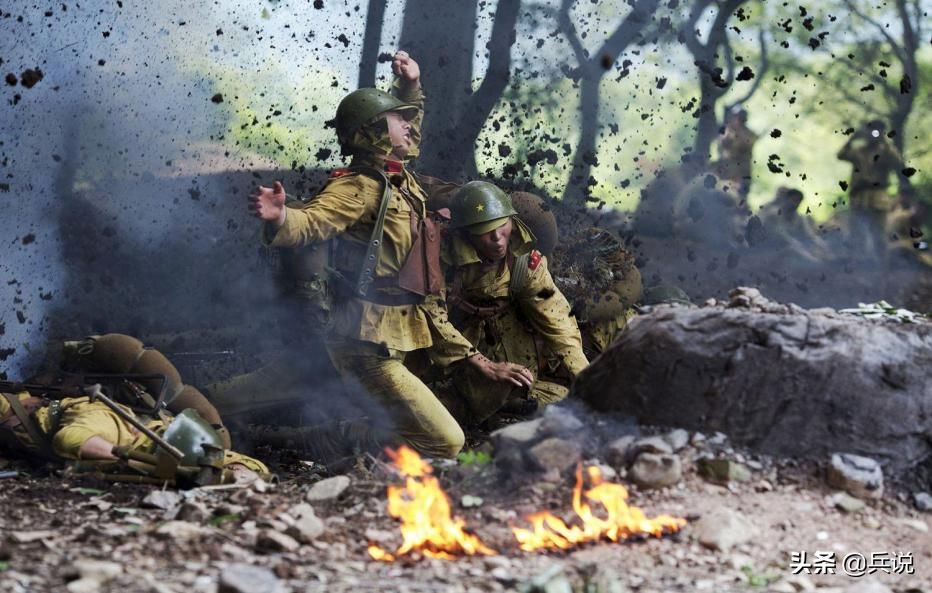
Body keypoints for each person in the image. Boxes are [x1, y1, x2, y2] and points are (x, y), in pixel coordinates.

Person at [248, 52, 530, 458]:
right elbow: (313, 221)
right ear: (374, 133)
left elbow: (409, 129)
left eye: (405, 117)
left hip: (400, 335)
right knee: (447, 442)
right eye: (397, 120)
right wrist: (280, 217)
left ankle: (328, 434)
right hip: (365, 344)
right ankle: (321, 441)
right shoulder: (360, 187)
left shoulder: (397, 176)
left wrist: (409, 86)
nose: (408, 124)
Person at [442, 181, 588, 425]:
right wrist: (485, 365)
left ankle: (504, 408)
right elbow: (427, 319)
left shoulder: (525, 262)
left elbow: (558, 320)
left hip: (503, 345)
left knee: (559, 398)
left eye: (502, 226)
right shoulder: (442, 260)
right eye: (485, 231)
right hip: (449, 350)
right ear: (466, 233)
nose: (498, 239)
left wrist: (586, 378)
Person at [0, 385, 268, 485]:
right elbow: (69, 439)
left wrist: (239, 470)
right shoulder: (108, 426)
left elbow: (252, 468)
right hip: (20, 409)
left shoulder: (190, 446)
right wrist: (121, 459)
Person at [837, 119, 903, 256]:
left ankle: (882, 268)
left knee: (879, 235)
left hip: (878, 198)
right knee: (857, 234)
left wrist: (884, 141)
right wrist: (852, 139)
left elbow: (897, 163)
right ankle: (858, 265)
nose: (874, 134)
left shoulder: (887, 151)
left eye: (877, 131)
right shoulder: (859, 151)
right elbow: (841, 155)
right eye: (871, 130)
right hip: (859, 197)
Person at [715, 106, 758, 199]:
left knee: (738, 199)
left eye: (738, 118)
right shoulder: (727, 131)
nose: (735, 120)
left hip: (741, 174)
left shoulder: (749, 134)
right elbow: (722, 146)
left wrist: (737, 133)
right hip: (725, 171)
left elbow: (744, 145)